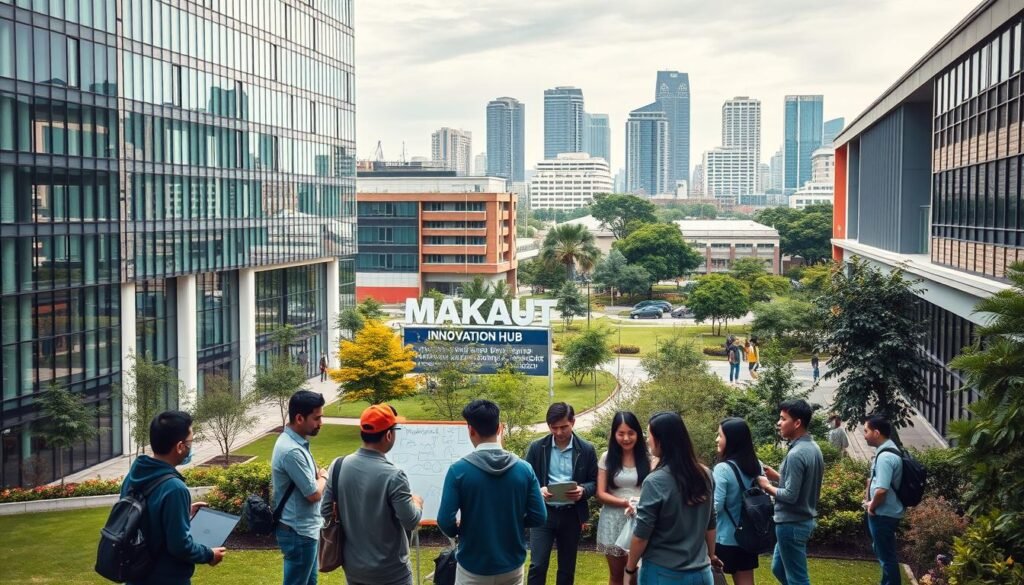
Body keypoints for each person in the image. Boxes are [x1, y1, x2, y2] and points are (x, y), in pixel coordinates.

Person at [438, 400, 547, 585]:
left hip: (473, 565)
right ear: (499, 428)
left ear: (470, 430)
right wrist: (513, 521)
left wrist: (461, 530)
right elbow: (539, 516)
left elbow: (445, 521)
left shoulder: (458, 471)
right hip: (512, 564)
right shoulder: (524, 469)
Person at [120, 411, 226, 585]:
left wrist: (183, 512)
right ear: (179, 447)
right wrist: (209, 555)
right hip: (166, 577)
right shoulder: (175, 488)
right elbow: (180, 546)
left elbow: (142, 518)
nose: (191, 447)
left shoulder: (133, 476)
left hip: (137, 573)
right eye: (190, 442)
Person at [323, 403, 423, 585]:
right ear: (388, 435)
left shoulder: (338, 466)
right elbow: (410, 521)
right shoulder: (394, 476)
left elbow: (325, 511)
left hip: (354, 570)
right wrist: (417, 503)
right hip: (392, 573)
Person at [623, 412, 721, 585]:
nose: (647, 440)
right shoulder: (705, 474)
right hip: (702, 573)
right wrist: (711, 556)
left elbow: (642, 534)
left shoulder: (655, 481)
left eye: (649, 435)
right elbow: (710, 522)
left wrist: (630, 569)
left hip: (663, 573)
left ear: (661, 440)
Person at [525, 402, 599, 585]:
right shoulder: (537, 447)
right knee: (537, 565)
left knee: (567, 568)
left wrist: (583, 490)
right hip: (543, 514)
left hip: (571, 514)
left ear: (573, 422)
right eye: (554, 427)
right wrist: (538, 490)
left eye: (563, 427)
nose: (558, 432)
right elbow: (525, 479)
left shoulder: (586, 449)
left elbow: (595, 482)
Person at [757, 399, 825, 585]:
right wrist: (777, 476)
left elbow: (790, 496)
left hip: (792, 524)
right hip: (801, 521)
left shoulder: (796, 454)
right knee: (778, 568)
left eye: (783, 418)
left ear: (797, 423)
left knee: (798, 579)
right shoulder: (812, 448)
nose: (778, 423)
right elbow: (802, 484)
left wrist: (766, 485)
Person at [272, 390, 328, 585]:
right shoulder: (292, 451)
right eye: (317, 418)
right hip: (299, 533)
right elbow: (313, 493)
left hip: (303, 531)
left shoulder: (296, 443)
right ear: (299, 418)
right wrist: (324, 477)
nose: (321, 423)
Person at [596, 412, 652, 585]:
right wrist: (626, 502)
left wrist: (638, 504)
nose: (626, 438)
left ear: (638, 434)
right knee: (616, 575)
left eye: (631, 433)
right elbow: (601, 493)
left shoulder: (649, 457)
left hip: (640, 519)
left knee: (636, 574)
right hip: (613, 519)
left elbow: (654, 490)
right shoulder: (607, 457)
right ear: (614, 434)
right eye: (621, 433)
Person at [714, 417, 770, 585]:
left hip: (724, 538)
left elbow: (715, 507)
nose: (717, 439)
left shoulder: (722, 469)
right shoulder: (756, 465)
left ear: (731, 440)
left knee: (715, 579)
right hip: (748, 536)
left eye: (720, 435)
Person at [862, 415, 904, 585]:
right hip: (886, 512)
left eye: (866, 431)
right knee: (884, 552)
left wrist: (871, 507)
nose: (864, 435)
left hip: (883, 514)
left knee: (886, 556)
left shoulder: (886, 457)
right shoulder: (887, 450)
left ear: (876, 433)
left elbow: (881, 491)